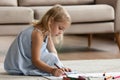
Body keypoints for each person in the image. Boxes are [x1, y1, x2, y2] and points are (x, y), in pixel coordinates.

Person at [4, 4, 71, 77]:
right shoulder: (37, 34)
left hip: (31, 59)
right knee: (50, 59)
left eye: (63, 30)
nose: (61, 32)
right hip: (18, 65)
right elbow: (35, 60)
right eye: (60, 28)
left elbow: (53, 51)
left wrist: (61, 67)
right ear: (50, 21)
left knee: (52, 56)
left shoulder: (46, 31)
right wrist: (52, 70)